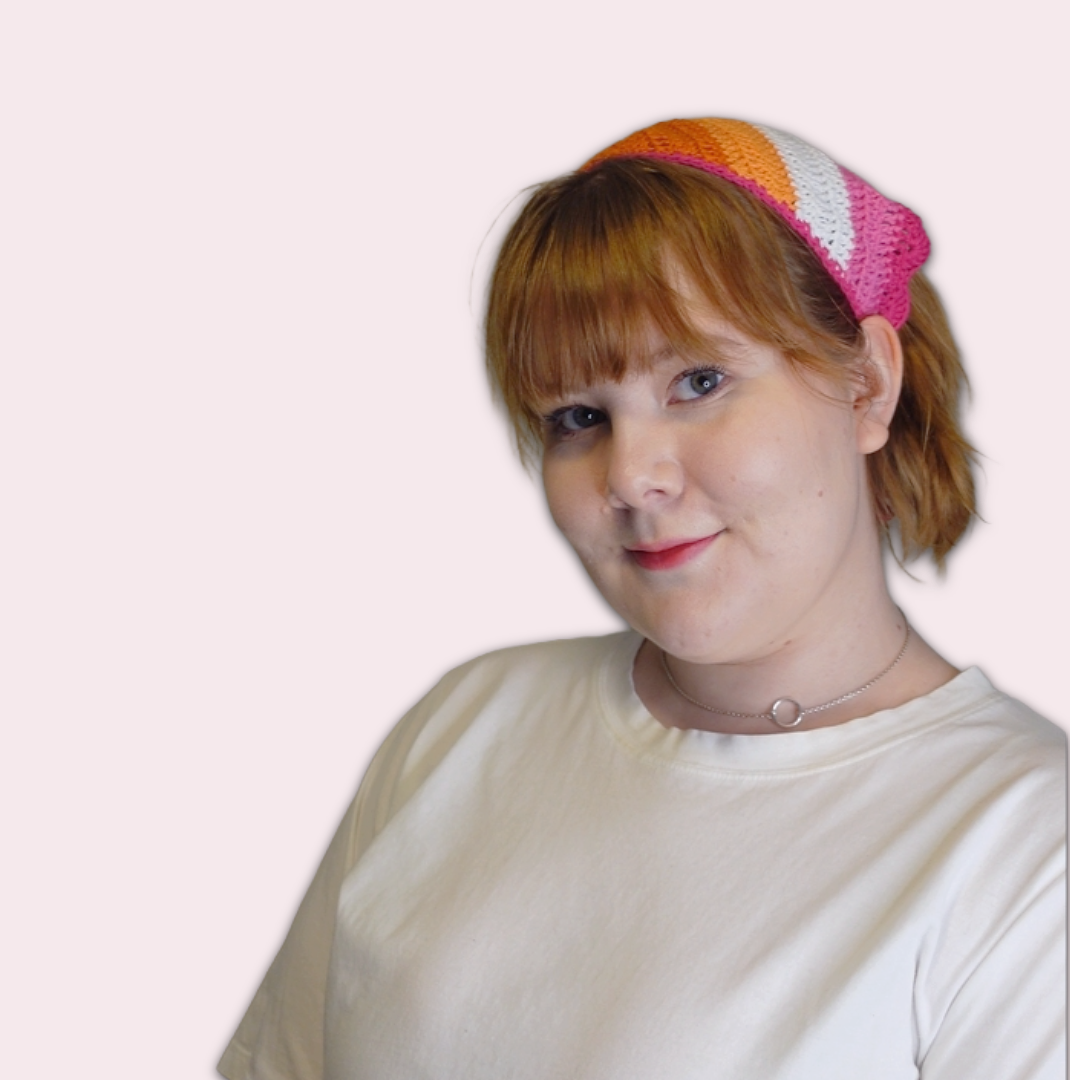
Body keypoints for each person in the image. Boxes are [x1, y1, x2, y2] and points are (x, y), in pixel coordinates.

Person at [217, 118, 1066, 1079]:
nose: (630, 475)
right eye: (579, 416)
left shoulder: (1027, 850)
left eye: (698, 382)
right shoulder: (464, 726)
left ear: (867, 385)